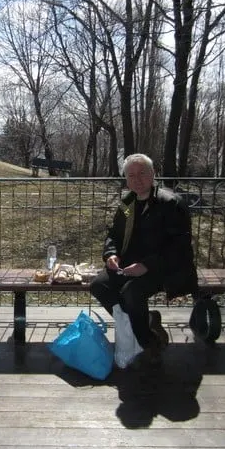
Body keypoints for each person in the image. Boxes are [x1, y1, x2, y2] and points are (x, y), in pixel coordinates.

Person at [90, 153, 198, 366]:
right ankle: (145, 322)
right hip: (131, 264)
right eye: (131, 175)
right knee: (99, 285)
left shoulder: (171, 203)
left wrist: (147, 265)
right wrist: (110, 254)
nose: (137, 179)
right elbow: (113, 234)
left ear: (153, 174)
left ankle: (148, 342)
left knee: (132, 291)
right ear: (126, 179)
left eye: (142, 173)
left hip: (166, 267)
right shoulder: (127, 203)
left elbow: (179, 247)